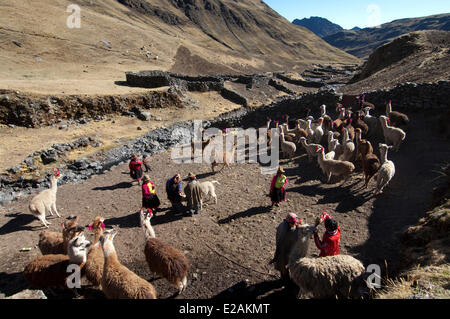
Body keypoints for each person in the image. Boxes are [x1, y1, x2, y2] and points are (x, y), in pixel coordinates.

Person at [270, 213, 300, 281]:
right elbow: (293, 237)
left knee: (284, 264)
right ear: (288, 222)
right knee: (282, 265)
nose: (293, 225)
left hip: (285, 248)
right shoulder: (284, 229)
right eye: (292, 223)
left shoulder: (285, 225)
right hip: (282, 250)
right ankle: (285, 279)